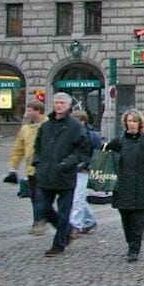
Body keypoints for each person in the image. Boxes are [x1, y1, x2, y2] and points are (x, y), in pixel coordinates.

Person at [32, 93, 92, 257]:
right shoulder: (46, 126)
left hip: (65, 175)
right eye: (56, 102)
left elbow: (82, 150)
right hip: (46, 173)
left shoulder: (75, 126)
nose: (58, 105)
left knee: (64, 212)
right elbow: (37, 147)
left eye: (62, 103)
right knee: (42, 207)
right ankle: (67, 230)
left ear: (68, 105)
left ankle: (58, 244)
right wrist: (38, 162)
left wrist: (67, 163)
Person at [107, 110, 144, 262]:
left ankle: (134, 248)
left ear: (139, 123)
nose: (132, 124)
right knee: (126, 219)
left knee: (137, 221)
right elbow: (106, 154)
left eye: (134, 121)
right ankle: (130, 243)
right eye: (129, 121)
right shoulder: (119, 141)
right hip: (122, 186)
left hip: (141, 186)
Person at [6, 100, 46, 233]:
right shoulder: (25, 129)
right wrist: (13, 167)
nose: (27, 113)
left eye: (29, 111)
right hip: (31, 169)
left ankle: (40, 221)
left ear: (38, 111)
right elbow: (18, 150)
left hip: (45, 168)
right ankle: (38, 221)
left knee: (42, 196)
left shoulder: (47, 125)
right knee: (34, 196)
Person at [69, 110, 101, 237]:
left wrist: (89, 164)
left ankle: (75, 226)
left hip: (84, 169)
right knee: (77, 197)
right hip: (72, 168)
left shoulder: (91, 135)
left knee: (78, 199)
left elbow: (96, 153)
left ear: (83, 122)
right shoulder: (70, 134)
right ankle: (89, 221)